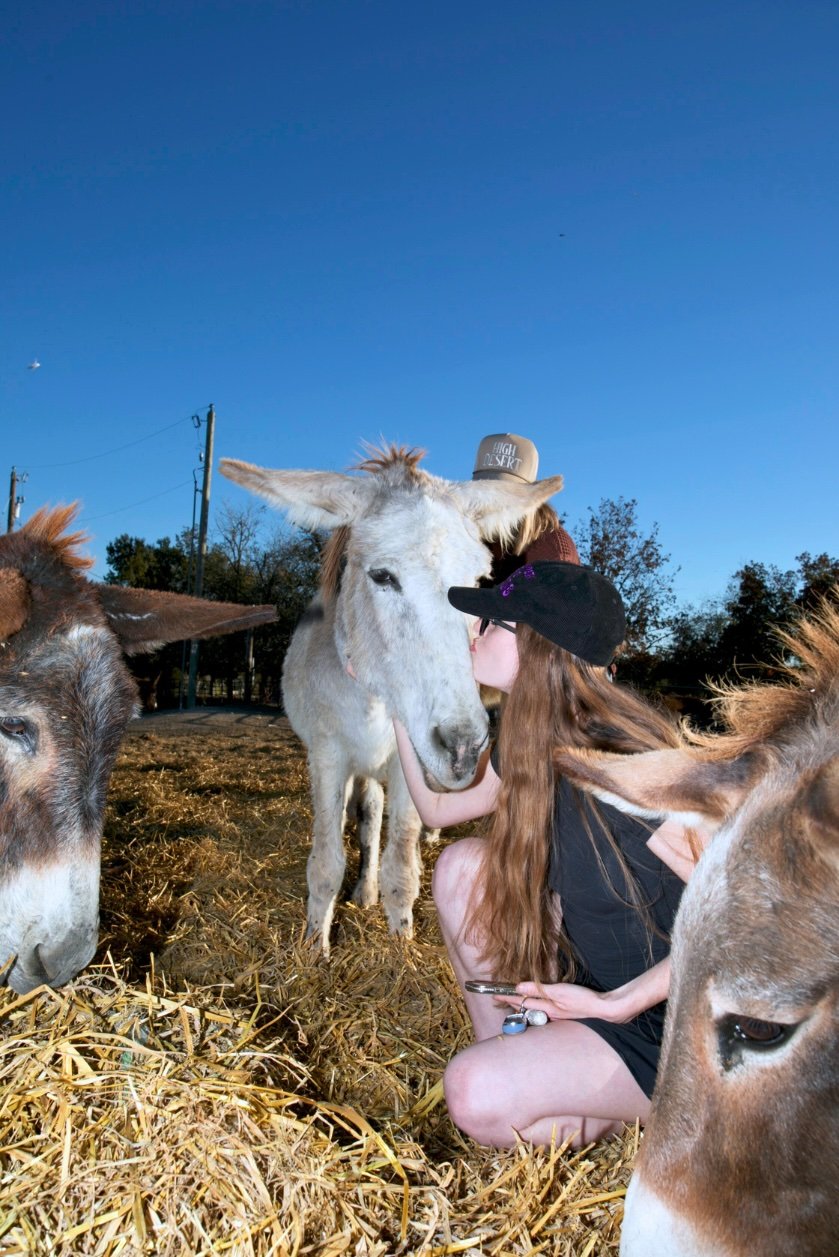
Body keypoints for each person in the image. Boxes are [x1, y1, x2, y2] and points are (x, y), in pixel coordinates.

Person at [392, 560, 705, 1149]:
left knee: (472, 1095)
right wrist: (397, 706)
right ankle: (520, 1063)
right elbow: (437, 811)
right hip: (588, 992)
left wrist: (619, 1004)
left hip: (678, 1027)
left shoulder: (630, 768)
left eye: (490, 623)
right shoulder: (530, 742)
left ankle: (648, 1112)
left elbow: (748, 923)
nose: (475, 634)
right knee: (461, 867)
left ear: (537, 646)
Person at [472, 433, 580, 578]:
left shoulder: (552, 550)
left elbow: (555, 598)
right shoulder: (468, 534)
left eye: (506, 491)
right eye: (485, 489)